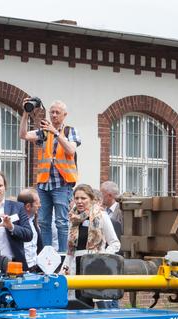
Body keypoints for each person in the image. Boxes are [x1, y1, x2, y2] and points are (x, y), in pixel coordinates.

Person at [19, 98, 80, 253]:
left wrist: (55, 132)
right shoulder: (44, 132)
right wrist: (26, 113)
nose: (53, 115)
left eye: (57, 112)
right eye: (51, 112)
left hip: (62, 183)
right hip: (44, 183)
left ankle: (62, 254)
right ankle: (47, 254)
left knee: (61, 221)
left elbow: (70, 150)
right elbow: (24, 135)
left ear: (64, 115)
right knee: (44, 222)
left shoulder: (70, 131)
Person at [61, 184, 120, 276]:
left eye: (83, 198)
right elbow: (70, 251)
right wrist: (64, 270)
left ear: (91, 199)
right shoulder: (73, 218)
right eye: (77, 198)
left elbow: (115, 243)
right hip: (75, 266)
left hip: (95, 264)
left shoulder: (101, 215)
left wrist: (102, 257)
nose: (79, 201)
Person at [17, 188, 44, 272]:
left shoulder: (34, 221)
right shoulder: (14, 223)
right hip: (21, 271)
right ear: (28, 206)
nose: (40, 205)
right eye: (37, 203)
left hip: (35, 269)